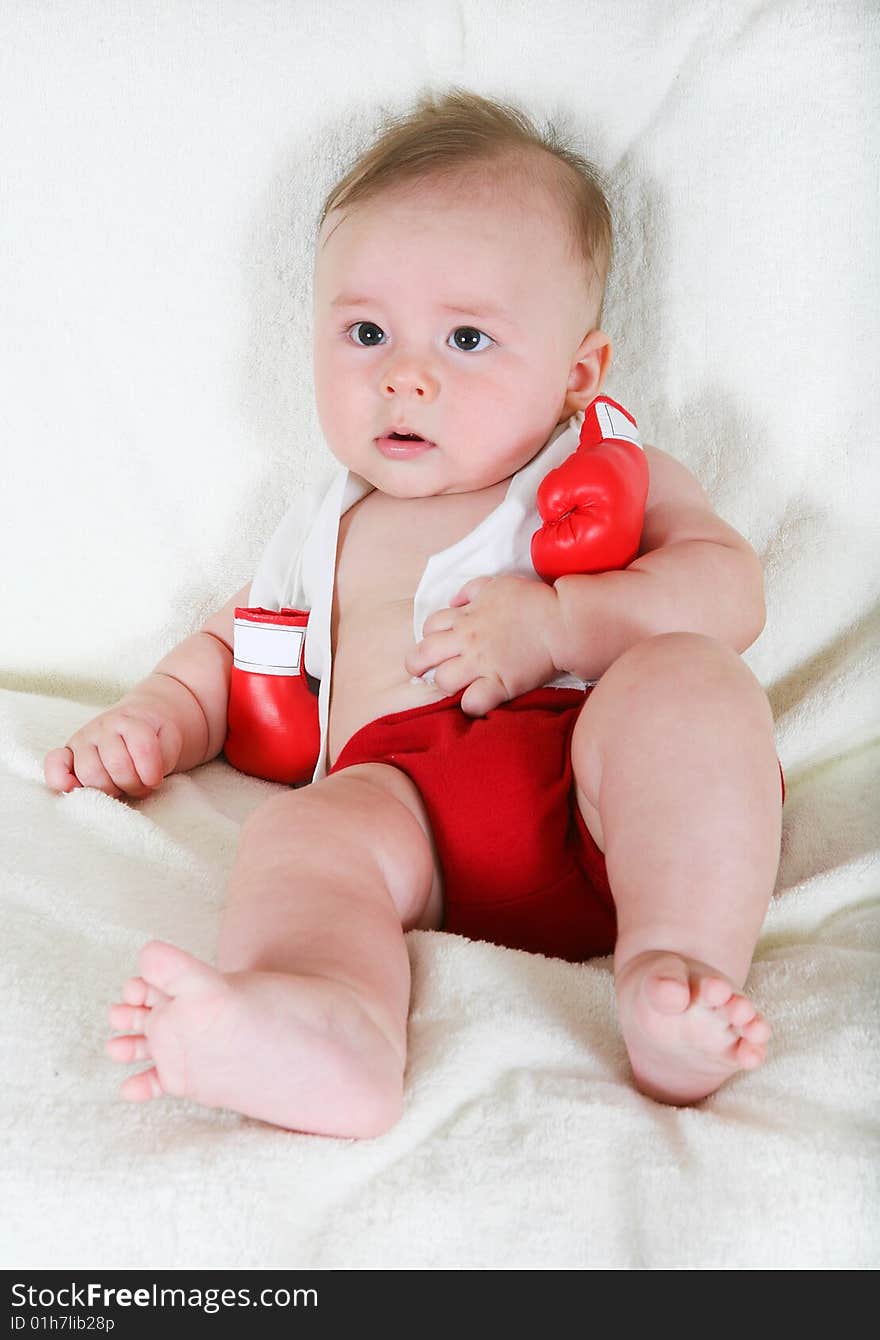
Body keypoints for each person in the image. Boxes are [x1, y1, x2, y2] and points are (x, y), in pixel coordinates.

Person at [43, 88, 784, 1136]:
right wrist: (157, 715)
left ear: (578, 374)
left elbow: (727, 591)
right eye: (367, 331)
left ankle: (675, 966)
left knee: (695, 683)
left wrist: (564, 622)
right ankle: (325, 1026)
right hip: (410, 812)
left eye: (468, 338)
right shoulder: (321, 523)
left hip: (600, 783)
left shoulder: (602, 471)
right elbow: (237, 643)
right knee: (303, 832)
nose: (405, 376)